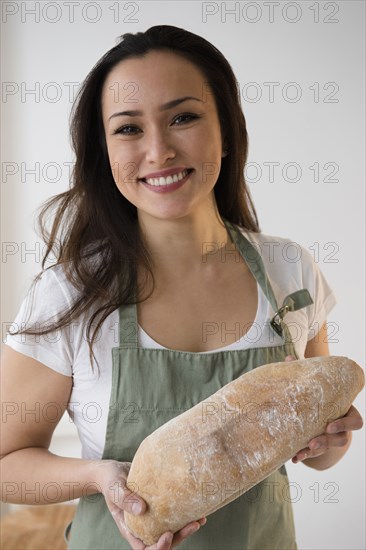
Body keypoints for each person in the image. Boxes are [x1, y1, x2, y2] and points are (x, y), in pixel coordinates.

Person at [1, 25, 363, 550]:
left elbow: (318, 449)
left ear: (226, 128)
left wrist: (331, 441)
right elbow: (7, 462)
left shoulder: (291, 271)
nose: (159, 150)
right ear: (103, 149)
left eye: (184, 117)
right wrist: (103, 477)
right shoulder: (71, 293)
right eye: (128, 129)